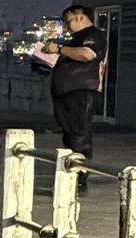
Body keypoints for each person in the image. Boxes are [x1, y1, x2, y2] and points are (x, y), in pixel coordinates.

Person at [44, 5, 107, 193]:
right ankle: (73, 173)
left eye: (68, 20)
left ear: (80, 18)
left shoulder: (92, 35)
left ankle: (80, 176)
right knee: (71, 134)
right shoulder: (76, 39)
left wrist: (60, 49)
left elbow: (87, 54)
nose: (67, 26)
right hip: (66, 92)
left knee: (79, 134)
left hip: (80, 92)